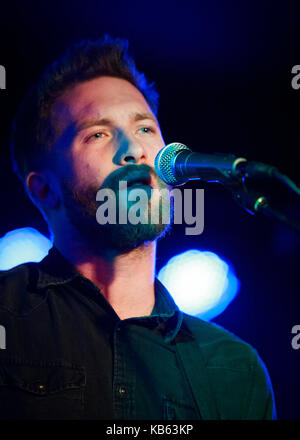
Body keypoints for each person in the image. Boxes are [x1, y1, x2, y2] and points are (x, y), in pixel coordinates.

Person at [0, 36, 276, 420]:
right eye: (98, 134)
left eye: (145, 129)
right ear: (44, 189)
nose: (135, 149)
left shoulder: (235, 368)